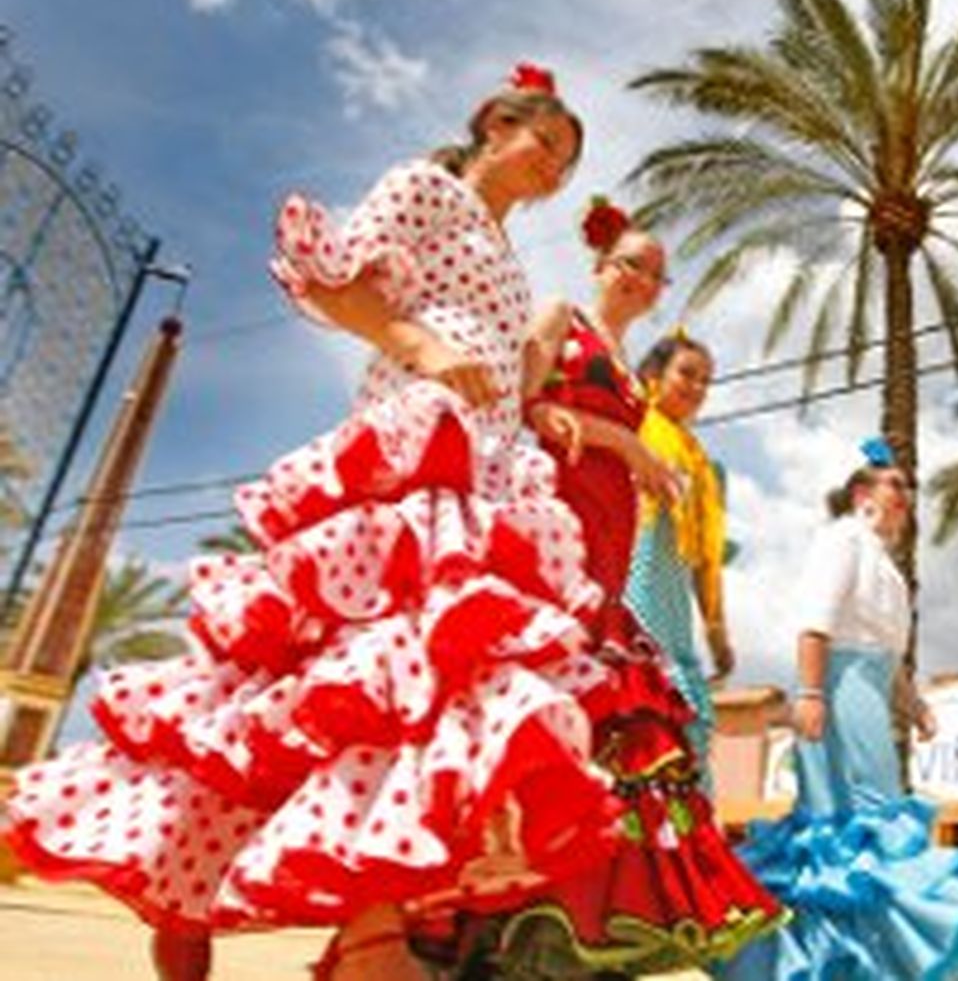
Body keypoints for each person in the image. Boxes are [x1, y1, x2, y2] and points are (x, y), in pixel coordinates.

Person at [2, 63, 621, 981]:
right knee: (337, 678)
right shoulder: (425, 188)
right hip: (412, 447)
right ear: (496, 123)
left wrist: (553, 408)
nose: (554, 172)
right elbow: (329, 283)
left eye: (568, 165)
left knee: (428, 695)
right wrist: (420, 344)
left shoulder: (506, 252)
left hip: (487, 472)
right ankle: (248, 894)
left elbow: (511, 372)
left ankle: (322, 915)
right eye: (548, 145)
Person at [410, 197, 780, 979]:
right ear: (602, 266)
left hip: (613, 543)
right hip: (558, 523)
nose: (646, 280)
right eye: (634, 265)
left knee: (618, 716)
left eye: (657, 274)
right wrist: (616, 440)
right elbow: (522, 404)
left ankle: (589, 917)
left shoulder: (637, 374)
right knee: (550, 696)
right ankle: (495, 917)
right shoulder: (561, 315)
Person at [718, 442, 958, 981]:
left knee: (872, 824)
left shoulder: (886, 566)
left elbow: (889, 659)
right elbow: (815, 623)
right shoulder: (842, 538)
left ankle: (862, 963)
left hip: (868, 691)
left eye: (908, 490)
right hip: (836, 691)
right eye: (895, 485)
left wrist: (915, 708)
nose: (905, 497)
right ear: (862, 493)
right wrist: (813, 695)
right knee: (846, 825)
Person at [623, 328, 733, 791]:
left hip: (676, 610)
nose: (696, 388)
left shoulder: (704, 466)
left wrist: (716, 628)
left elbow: (707, 556)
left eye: (705, 381)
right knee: (639, 705)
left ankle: (690, 842)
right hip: (632, 590)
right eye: (686, 374)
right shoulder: (631, 431)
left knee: (687, 713)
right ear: (652, 375)